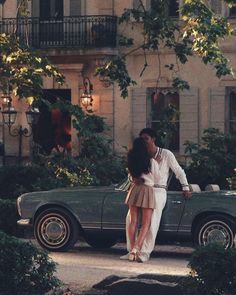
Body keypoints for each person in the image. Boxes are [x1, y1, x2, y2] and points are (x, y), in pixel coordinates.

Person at [121, 128, 192, 262]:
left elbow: (178, 171)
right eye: (142, 139)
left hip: (158, 190)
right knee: (130, 219)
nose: (144, 141)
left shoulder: (166, 154)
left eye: (146, 138)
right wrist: (134, 179)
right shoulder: (140, 155)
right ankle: (132, 250)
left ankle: (144, 252)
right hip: (142, 187)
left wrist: (186, 187)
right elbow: (131, 175)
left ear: (153, 139)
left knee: (152, 220)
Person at [124, 137, 160, 262]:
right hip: (147, 190)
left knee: (133, 221)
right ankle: (136, 248)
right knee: (146, 223)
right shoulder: (152, 162)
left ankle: (131, 251)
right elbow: (157, 178)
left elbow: (131, 177)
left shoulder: (131, 160)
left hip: (134, 189)